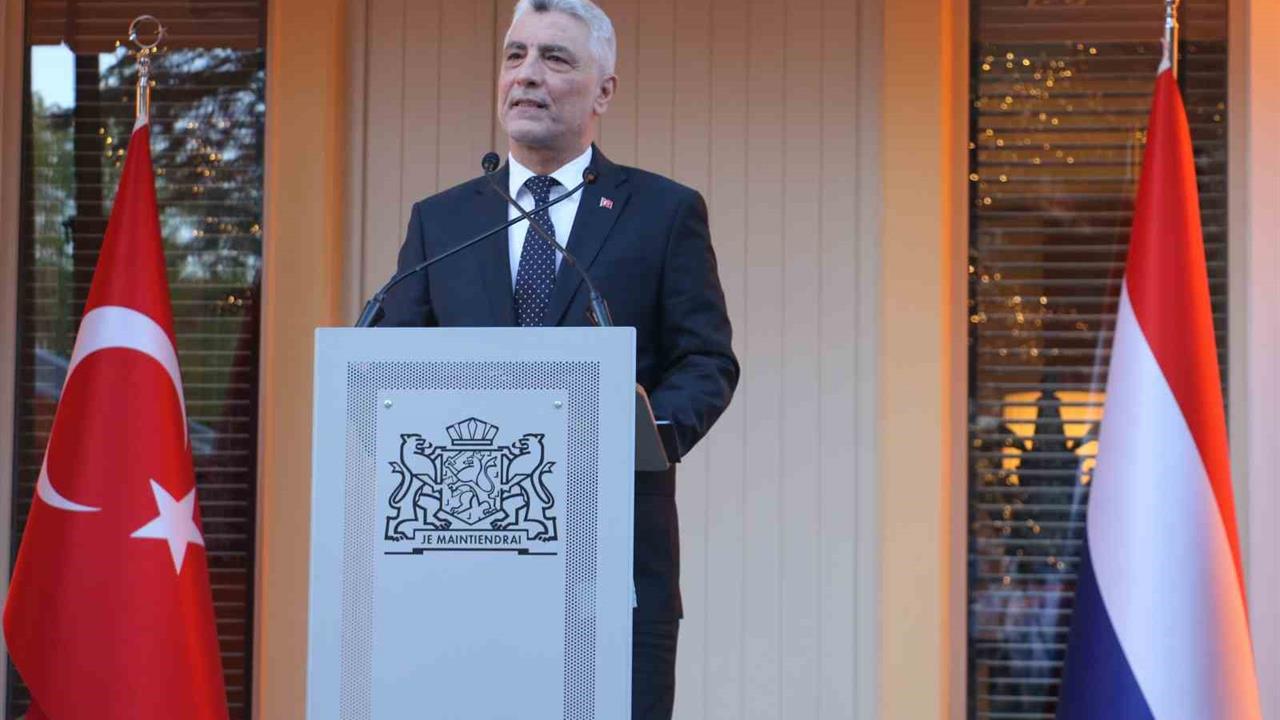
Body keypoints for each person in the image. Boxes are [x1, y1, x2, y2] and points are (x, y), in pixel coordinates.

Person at [376, 1, 738, 716]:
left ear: (604, 91)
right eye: (515, 55)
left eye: (555, 58)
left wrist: (643, 436)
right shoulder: (442, 221)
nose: (527, 74)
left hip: (614, 562)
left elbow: (706, 361)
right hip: (461, 560)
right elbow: (389, 368)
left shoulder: (663, 213)